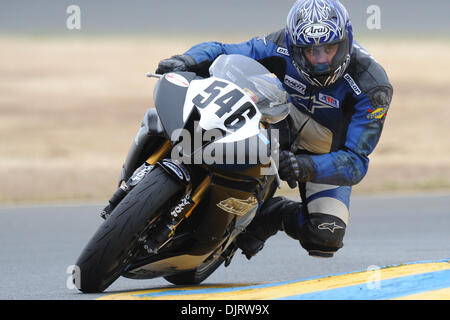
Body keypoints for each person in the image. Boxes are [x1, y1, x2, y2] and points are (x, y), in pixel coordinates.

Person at [117, 0, 393, 259]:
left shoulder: (372, 85)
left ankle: (271, 214)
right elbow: (225, 50)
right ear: (295, 45)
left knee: (324, 237)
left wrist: (305, 165)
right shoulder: (281, 43)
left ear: (345, 42)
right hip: (276, 122)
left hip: (324, 156)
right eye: (310, 51)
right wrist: (187, 60)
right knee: (205, 115)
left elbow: (356, 162)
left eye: (328, 49)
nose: (320, 60)